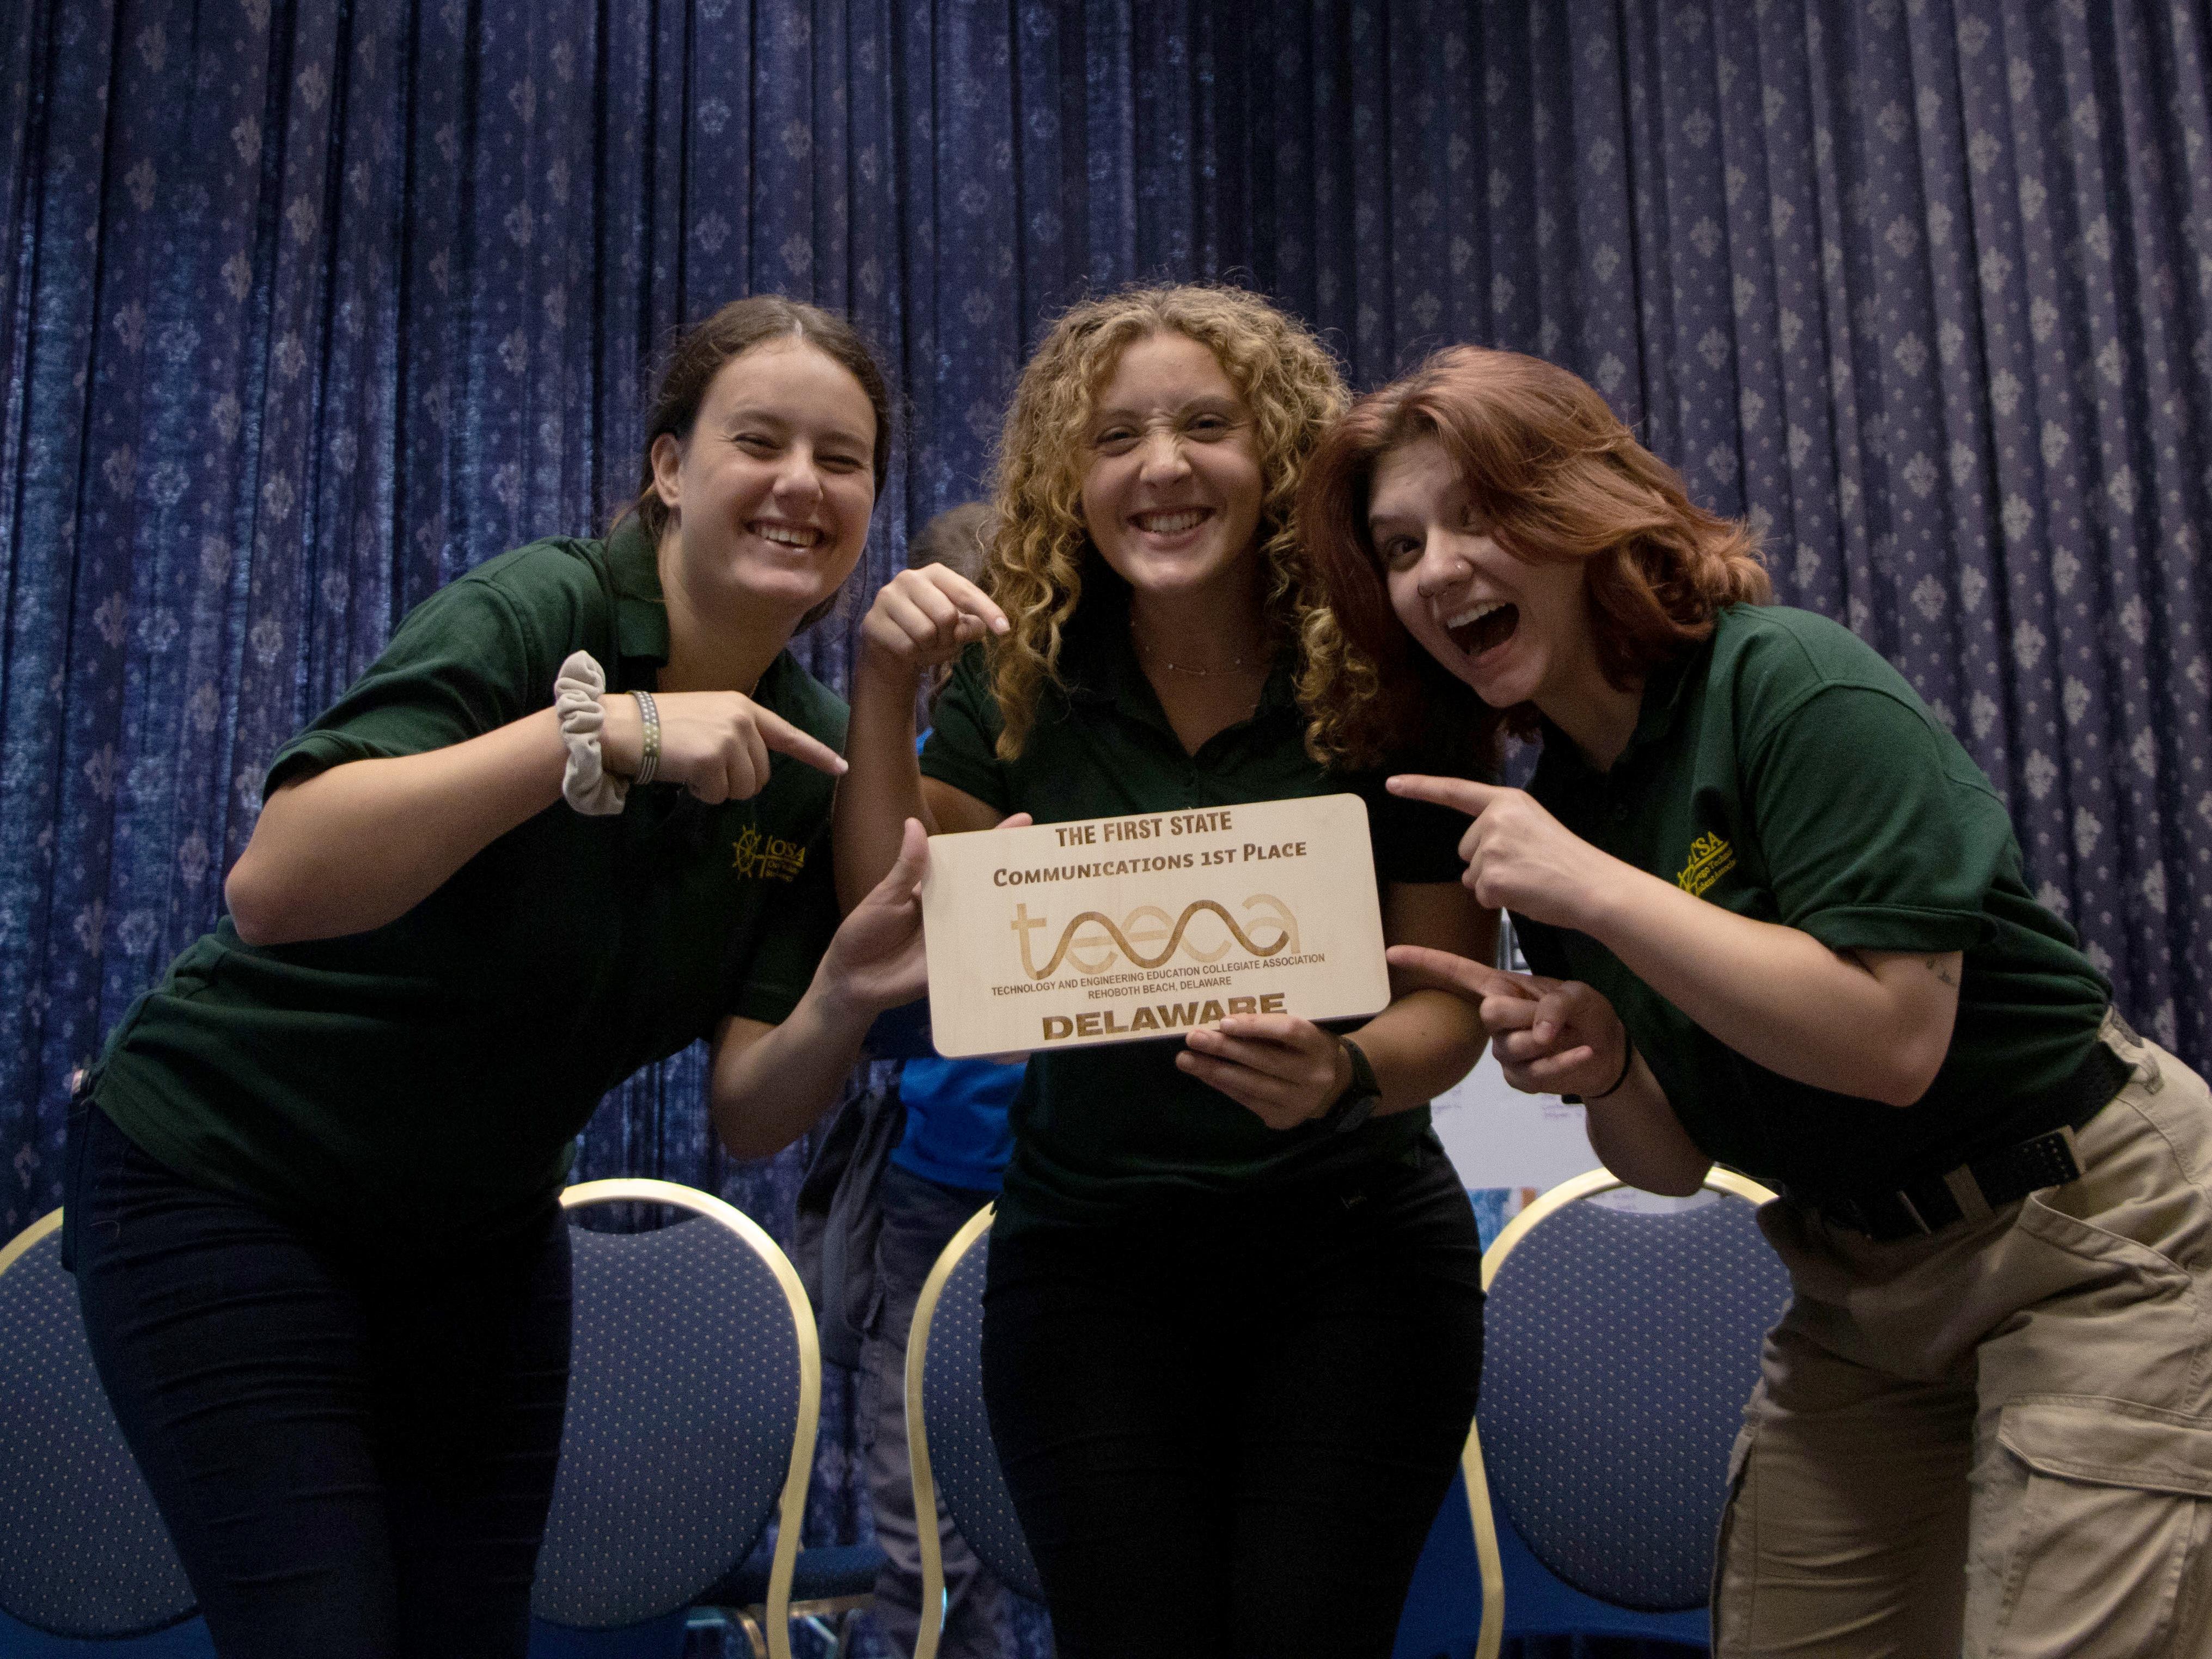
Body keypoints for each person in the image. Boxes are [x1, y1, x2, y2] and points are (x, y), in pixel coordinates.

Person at [1300, 343, 2212, 1658]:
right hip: (1856, 1283)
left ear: (1583, 512)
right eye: (1399, 547)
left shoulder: (1786, 681)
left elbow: (1894, 1041)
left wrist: (1601, 894)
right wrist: (1610, 1069)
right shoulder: (1557, 821)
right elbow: (1667, 1167)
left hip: (2088, 1237)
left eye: (1479, 514)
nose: (1437, 569)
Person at [64, 296, 936, 1659]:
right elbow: (275, 883)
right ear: (668, 467)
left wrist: (843, 995)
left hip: (476, 1235)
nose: (800, 486)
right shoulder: (549, 609)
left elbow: (754, 1113)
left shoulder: (814, 752)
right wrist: (606, 735)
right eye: (757, 441)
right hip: (227, 1177)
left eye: (843, 459)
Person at [833, 285, 1493, 1658]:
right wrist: (886, 690)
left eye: (1208, 424)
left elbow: (1452, 999)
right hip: (1092, 1270)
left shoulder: (1386, 676)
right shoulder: (1021, 677)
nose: (1164, 465)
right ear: (1069, 479)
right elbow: (888, 905)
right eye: (1116, 435)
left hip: (1353, 1260)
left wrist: (1352, 1070)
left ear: (1287, 459)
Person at [856, 501, 1018, 1658]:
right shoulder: (899, 795)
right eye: (952, 667)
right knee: (929, 1548)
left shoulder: (1112, 781)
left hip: (1084, 1191)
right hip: (935, 1195)